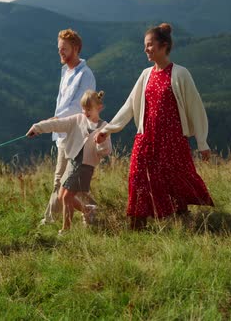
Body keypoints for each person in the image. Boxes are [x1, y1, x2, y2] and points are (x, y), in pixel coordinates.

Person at [95, 23, 214, 230]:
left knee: (174, 177)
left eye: (150, 45)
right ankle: (137, 222)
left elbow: (196, 107)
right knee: (138, 176)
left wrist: (202, 142)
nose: (146, 49)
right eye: (145, 45)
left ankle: (180, 214)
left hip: (173, 139)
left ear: (164, 45)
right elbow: (130, 104)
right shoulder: (145, 74)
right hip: (146, 137)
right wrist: (108, 129)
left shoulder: (180, 74)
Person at [28, 90, 112, 235]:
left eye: (89, 109)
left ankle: (66, 229)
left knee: (67, 197)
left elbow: (105, 151)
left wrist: (100, 142)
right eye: (83, 109)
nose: (85, 112)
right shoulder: (77, 119)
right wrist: (37, 128)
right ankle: (87, 210)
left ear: (99, 107)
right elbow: (58, 124)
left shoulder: (104, 127)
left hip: (85, 166)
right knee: (61, 196)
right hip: (72, 162)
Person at [41, 28, 96, 225]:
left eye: (64, 49)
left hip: (76, 136)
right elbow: (62, 103)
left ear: (76, 48)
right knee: (69, 182)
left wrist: (52, 121)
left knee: (61, 181)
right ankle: (89, 209)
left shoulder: (85, 75)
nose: (60, 52)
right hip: (62, 135)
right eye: (59, 49)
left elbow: (78, 106)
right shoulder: (66, 72)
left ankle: (48, 221)